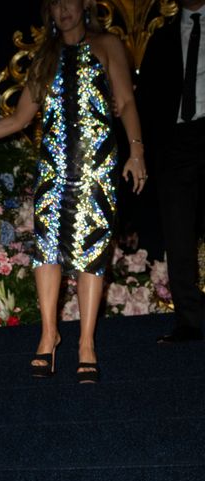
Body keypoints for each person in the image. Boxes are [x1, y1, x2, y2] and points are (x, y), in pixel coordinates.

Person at [0, 0, 145, 381]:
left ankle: (86, 343)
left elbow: (125, 102)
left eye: (69, 0)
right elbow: (20, 118)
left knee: (92, 251)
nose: (64, 9)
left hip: (96, 166)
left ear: (85, 3)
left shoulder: (107, 45)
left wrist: (137, 153)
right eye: (55, 3)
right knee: (46, 247)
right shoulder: (46, 56)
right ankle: (48, 335)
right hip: (54, 168)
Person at [136, 0, 205, 344]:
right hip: (175, 141)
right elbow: (146, 98)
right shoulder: (162, 38)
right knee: (177, 232)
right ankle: (189, 321)